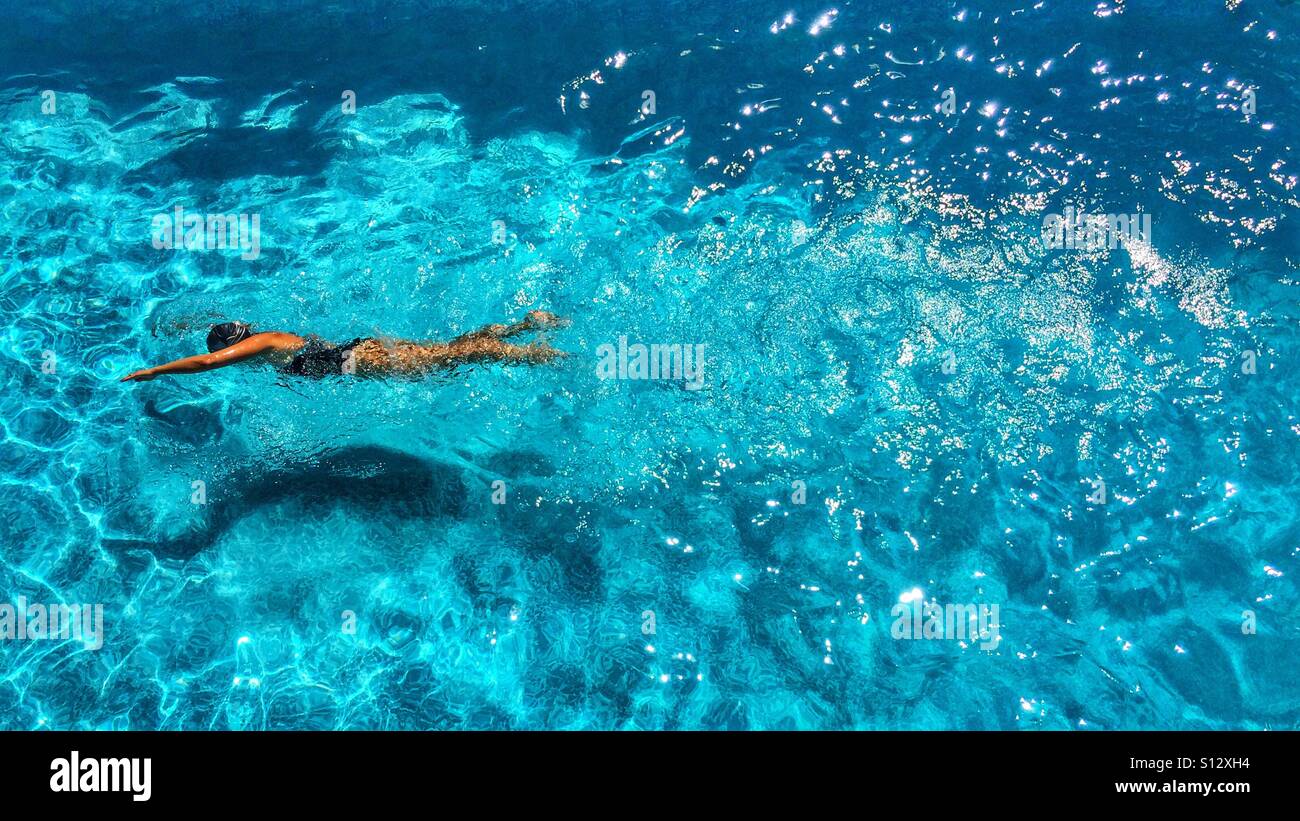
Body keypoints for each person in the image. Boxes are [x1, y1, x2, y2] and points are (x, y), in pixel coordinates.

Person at [120, 311, 566, 382]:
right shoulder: (270, 339)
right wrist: (172, 323)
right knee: (447, 352)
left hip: (361, 360)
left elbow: (207, 362)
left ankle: (536, 353)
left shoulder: (259, 344)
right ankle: (524, 325)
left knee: (453, 359)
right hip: (361, 351)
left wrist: (154, 371)